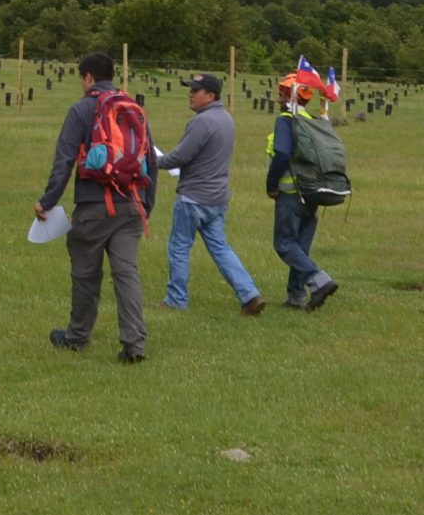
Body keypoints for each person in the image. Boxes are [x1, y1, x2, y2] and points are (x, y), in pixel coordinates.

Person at [35, 51, 153, 363]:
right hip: (131, 206)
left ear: (88, 77)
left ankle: (77, 337)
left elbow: (64, 161)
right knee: (127, 274)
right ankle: (134, 344)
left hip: (94, 207)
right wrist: (145, 206)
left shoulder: (81, 110)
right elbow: (149, 161)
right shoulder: (133, 108)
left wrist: (47, 201)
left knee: (86, 274)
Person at [153, 73, 265, 315]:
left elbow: (180, 157)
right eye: (191, 89)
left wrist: (153, 161)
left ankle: (176, 299)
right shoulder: (227, 119)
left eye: (196, 91)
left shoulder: (201, 122)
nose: (190, 95)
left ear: (211, 95)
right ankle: (249, 294)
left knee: (179, 247)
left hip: (193, 198)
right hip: (217, 198)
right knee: (221, 248)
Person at [269, 68, 342, 311]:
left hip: (290, 195)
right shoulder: (312, 122)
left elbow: (282, 155)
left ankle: (320, 280)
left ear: (288, 95)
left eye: (281, 93)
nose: (279, 98)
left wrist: (271, 185)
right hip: (312, 193)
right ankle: (296, 296)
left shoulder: (286, 121)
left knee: (284, 244)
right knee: (300, 247)